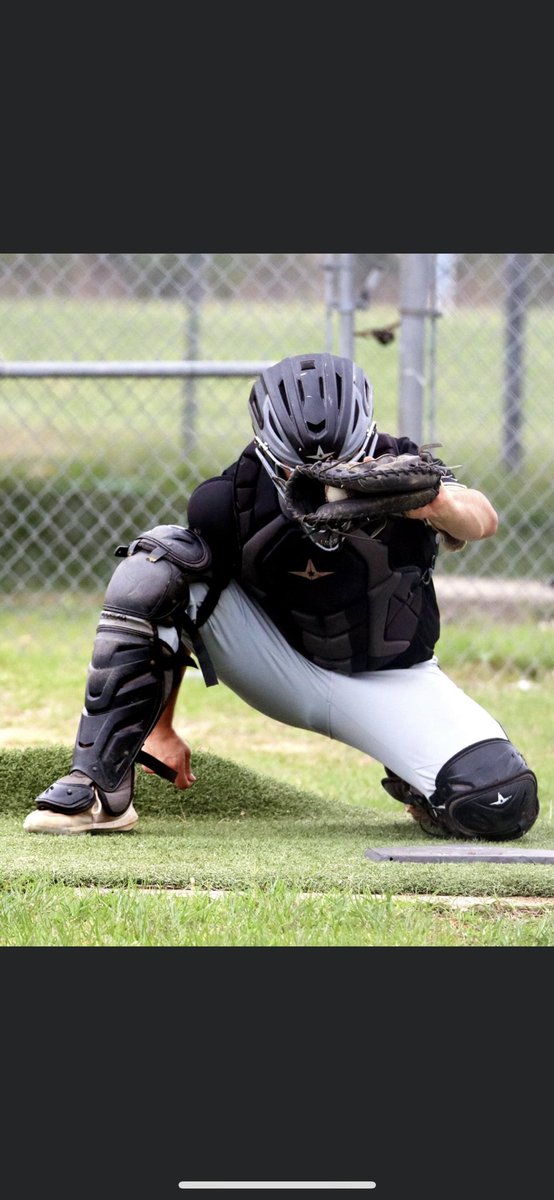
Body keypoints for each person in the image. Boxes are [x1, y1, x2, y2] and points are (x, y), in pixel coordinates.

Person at [24, 352, 539, 840]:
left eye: (337, 463)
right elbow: (177, 608)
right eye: (300, 466)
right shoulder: (230, 498)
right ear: (269, 450)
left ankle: (417, 776)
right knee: (159, 558)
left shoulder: (400, 464)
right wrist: (161, 727)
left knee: (499, 803)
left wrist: (428, 500)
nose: (318, 474)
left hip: (394, 676)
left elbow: (482, 521)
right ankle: (99, 788)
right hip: (282, 666)